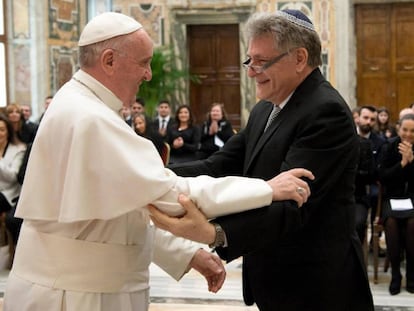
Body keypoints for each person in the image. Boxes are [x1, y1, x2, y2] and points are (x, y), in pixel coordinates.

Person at [3, 12, 314, 311]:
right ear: (109, 60)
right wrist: (267, 190)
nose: (149, 74)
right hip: (78, 296)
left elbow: (125, 210)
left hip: (83, 289)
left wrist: (187, 253)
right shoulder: (89, 118)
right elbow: (170, 196)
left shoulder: (79, 105)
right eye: (143, 63)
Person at [149, 10, 374, 311]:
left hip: (316, 285)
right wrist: (154, 176)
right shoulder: (265, 109)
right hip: (274, 278)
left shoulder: (325, 111)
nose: (251, 71)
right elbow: (218, 166)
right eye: (249, 60)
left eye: (261, 61)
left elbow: (293, 205)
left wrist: (214, 233)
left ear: (299, 58)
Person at [377, 113, 414, 295]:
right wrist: (402, 163)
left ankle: (412, 273)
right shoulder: (389, 147)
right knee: (391, 222)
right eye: (405, 130)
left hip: (412, 199)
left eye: (412, 131)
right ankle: (396, 274)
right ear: (398, 129)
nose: (408, 134)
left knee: (412, 224)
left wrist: (412, 162)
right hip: (392, 199)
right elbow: (383, 177)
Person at [0, 113, 26, 214]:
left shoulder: (19, 150)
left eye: (2, 130)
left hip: (8, 193)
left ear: (8, 132)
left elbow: (12, 178)